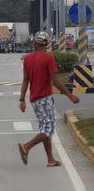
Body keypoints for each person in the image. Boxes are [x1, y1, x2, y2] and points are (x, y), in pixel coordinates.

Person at [18, 31, 80, 167]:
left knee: (45, 128)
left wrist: (22, 100)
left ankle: (50, 159)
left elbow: (25, 80)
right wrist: (69, 95)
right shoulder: (48, 58)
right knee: (48, 130)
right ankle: (27, 147)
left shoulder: (27, 58)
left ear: (34, 43)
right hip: (45, 98)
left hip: (34, 99)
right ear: (47, 44)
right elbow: (55, 81)